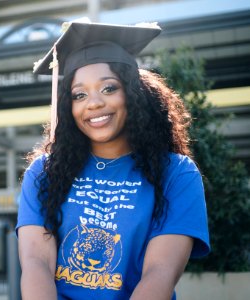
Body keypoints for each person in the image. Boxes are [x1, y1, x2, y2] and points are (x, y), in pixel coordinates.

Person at [16, 20, 210, 300]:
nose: (93, 103)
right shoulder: (44, 172)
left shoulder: (176, 173)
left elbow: (160, 272)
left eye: (108, 88)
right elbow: (36, 263)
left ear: (132, 94)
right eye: (79, 94)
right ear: (68, 107)